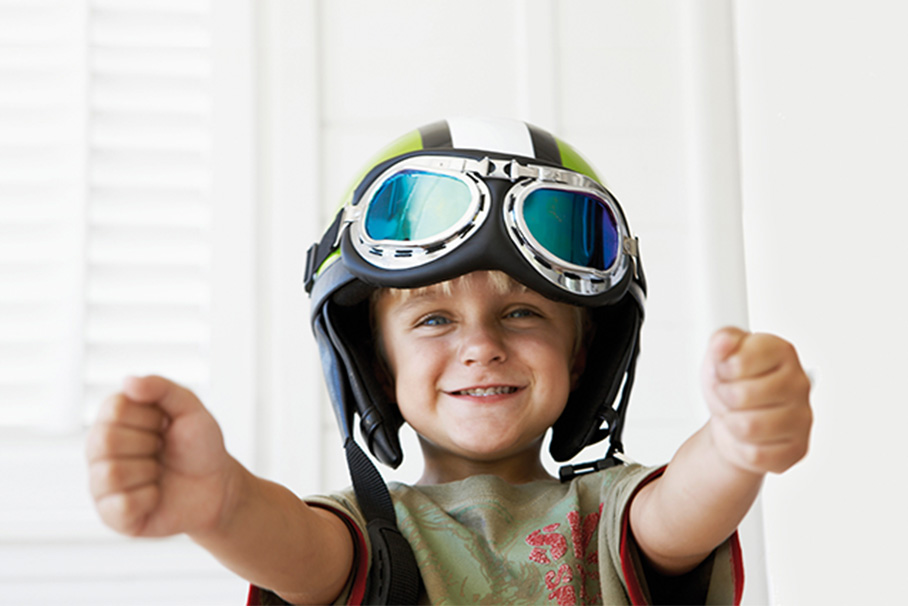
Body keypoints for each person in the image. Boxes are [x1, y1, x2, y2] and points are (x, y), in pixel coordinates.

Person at [85, 117, 812, 605]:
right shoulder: (364, 534)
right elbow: (296, 551)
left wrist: (734, 443)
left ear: (583, 353)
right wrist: (224, 505)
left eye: (522, 313)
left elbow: (680, 510)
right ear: (375, 366)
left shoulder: (608, 511)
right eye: (433, 319)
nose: (481, 346)